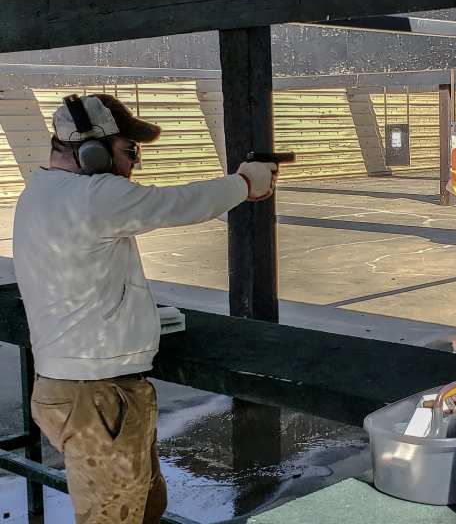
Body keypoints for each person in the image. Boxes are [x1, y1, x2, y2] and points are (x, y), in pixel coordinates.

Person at [12, 94, 277, 524]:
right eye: (128, 151)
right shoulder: (91, 195)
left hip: (88, 390)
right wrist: (245, 183)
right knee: (114, 518)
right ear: (91, 151)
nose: (133, 164)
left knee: (143, 508)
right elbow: (175, 204)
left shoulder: (44, 192)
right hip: (97, 396)